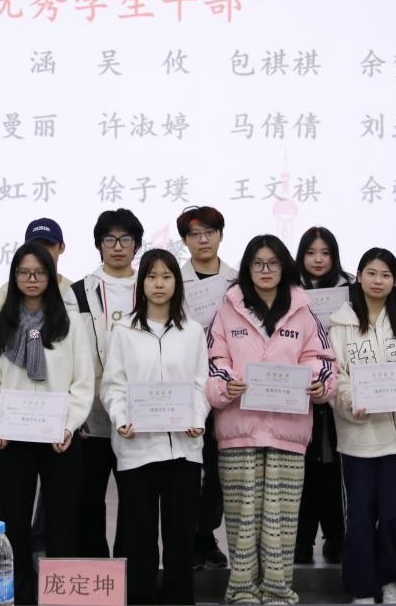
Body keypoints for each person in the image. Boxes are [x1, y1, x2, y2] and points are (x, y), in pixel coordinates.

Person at [206, 234, 335, 605]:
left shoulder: (302, 310)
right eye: (258, 263)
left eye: (273, 263)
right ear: (247, 268)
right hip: (238, 430)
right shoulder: (228, 308)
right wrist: (226, 383)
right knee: (242, 517)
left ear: (284, 267)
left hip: (287, 431)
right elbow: (214, 359)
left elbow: (322, 359)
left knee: (281, 517)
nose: (265, 270)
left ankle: (278, 589)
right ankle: (242, 589)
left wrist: (317, 383)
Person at [0, 243, 95, 605]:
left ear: (51, 276)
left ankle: (60, 598)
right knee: (13, 524)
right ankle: (19, 596)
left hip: (60, 438)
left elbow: (82, 382)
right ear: (14, 277)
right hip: (12, 438)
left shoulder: (70, 323)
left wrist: (69, 425)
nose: (32, 279)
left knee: (62, 524)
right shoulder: (1, 323)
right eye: (24, 272)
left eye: (40, 272)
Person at [100, 249, 209, 605]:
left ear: (177, 283)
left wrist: (197, 419)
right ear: (141, 283)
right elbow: (113, 386)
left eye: (166, 276)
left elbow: (200, 385)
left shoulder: (192, 331)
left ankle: (179, 599)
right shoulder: (123, 332)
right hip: (137, 448)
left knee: (180, 538)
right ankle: (141, 598)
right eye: (151, 276)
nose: (159, 284)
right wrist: (121, 418)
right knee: (139, 538)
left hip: (183, 448)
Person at [328, 248, 396, 605]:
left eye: (386, 275)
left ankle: (393, 582)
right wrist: (350, 402)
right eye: (371, 273)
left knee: (395, 516)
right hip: (358, 438)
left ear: (395, 281)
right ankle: (361, 586)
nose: (378, 281)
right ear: (358, 276)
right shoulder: (340, 324)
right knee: (358, 516)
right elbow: (336, 377)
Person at [71, 208, 145, 557]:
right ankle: (96, 573)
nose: (117, 246)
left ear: (137, 245)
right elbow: (67, 354)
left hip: (140, 416)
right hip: (91, 416)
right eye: (109, 239)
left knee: (135, 502)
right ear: (99, 245)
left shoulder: (152, 288)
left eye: (125, 239)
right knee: (88, 502)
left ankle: (130, 574)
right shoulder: (77, 292)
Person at [176, 205, 236, 570]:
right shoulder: (174, 279)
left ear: (220, 236)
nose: (203, 240)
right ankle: (187, 537)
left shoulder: (236, 280)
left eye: (210, 232)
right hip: (187, 383)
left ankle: (206, 534)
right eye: (195, 234)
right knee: (188, 466)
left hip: (227, 385)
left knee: (217, 467)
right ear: (185, 240)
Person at [292, 226, 350, 564]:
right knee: (304, 467)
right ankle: (301, 539)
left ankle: (335, 536)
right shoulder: (289, 290)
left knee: (333, 467)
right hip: (300, 388)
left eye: (325, 253)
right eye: (311, 252)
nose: (318, 259)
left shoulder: (350, 289)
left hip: (339, 386)